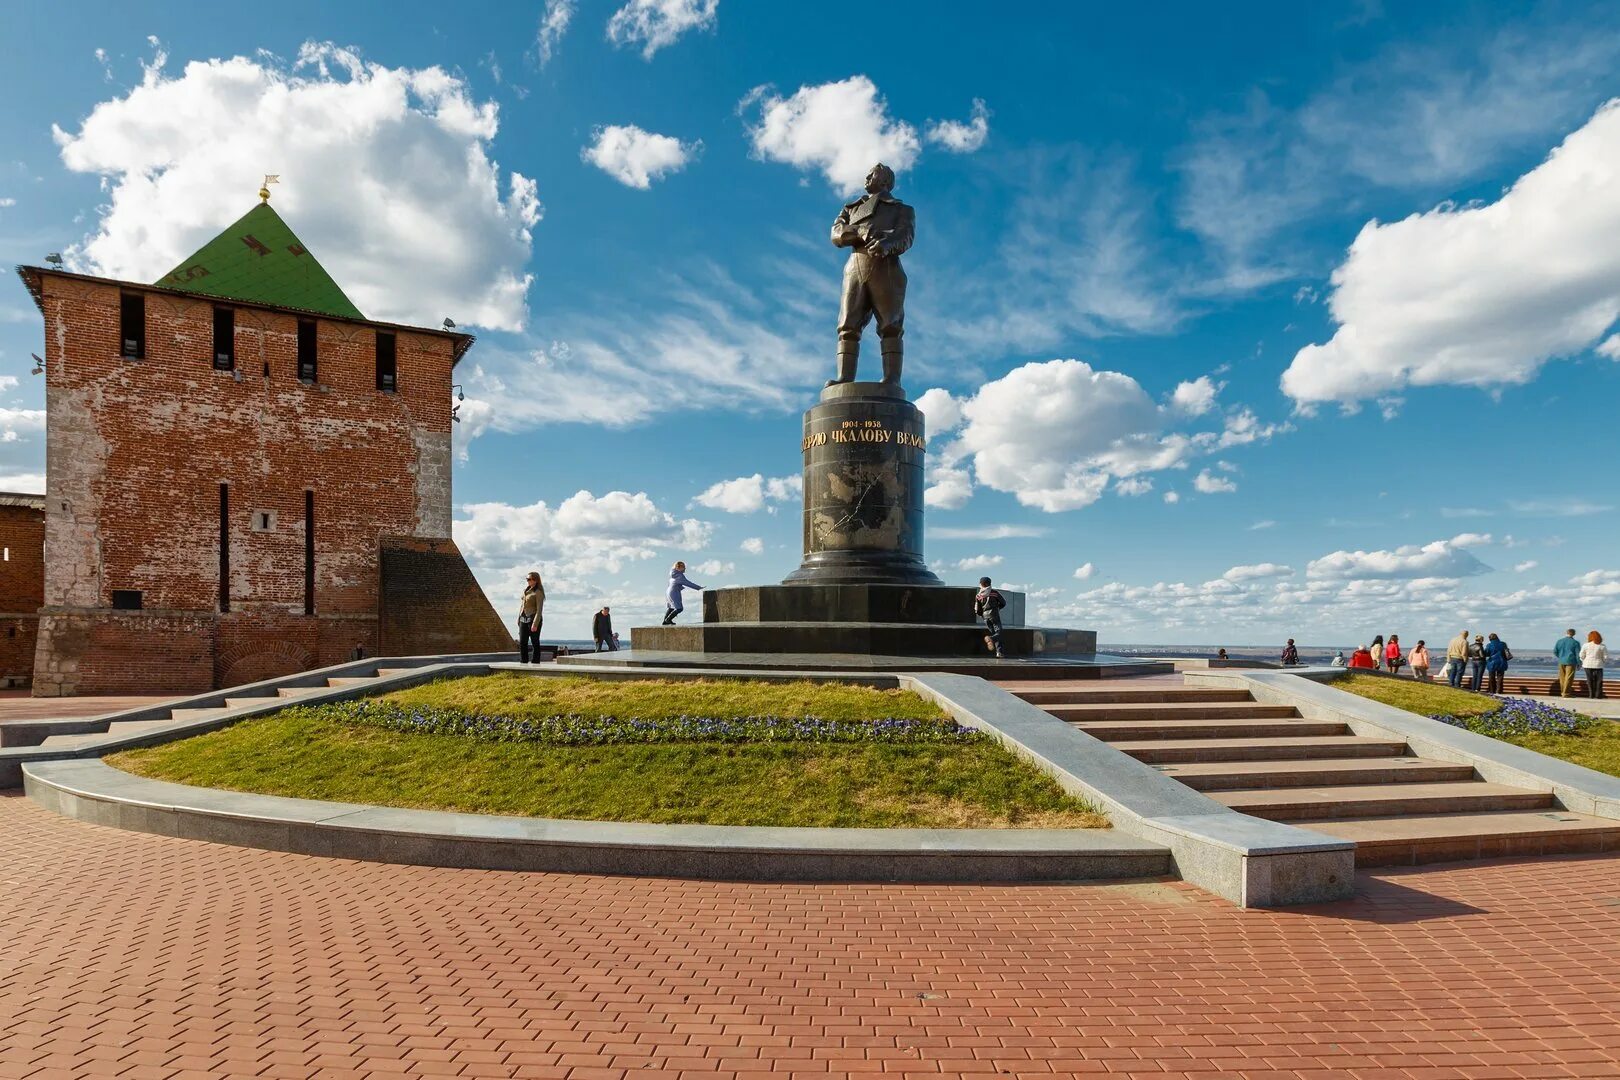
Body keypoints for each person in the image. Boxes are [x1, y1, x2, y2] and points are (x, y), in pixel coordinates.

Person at [828, 163, 915, 386]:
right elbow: (837, 234)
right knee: (847, 326)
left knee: (891, 326)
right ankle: (844, 378)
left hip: (886, 268)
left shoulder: (901, 209)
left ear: (885, 180)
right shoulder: (850, 209)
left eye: (872, 174)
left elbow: (905, 236)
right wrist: (860, 231)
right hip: (855, 267)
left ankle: (891, 380)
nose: (866, 177)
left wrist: (885, 244)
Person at [974, 576, 1006, 658]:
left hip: (985, 617)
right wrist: (997, 608)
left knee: (995, 633)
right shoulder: (994, 593)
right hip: (994, 614)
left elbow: (978, 610)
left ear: (981, 584)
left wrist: (983, 615)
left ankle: (999, 653)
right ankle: (991, 639)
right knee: (999, 633)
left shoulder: (978, 595)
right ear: (990, 583)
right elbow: (1003, 603)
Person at [517, 571, 544, 664]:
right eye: (527, 579)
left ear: (535, 580)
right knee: (522, 642)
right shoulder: (526, 591)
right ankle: (523, 661)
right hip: (523, 619)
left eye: (529, 579)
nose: (527, 581)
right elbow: (522, 606)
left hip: (533, 619)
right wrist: (518, 618)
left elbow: (539, 610)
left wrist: (535, 624)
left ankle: (535, 662)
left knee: (535, 642)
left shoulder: (538, 592)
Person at [1554, 628, 1582, 697]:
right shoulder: (1575, 643)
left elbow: (1555, 651)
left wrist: (1560, 656)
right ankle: (1566, 693)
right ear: (1574, 634)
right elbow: (1578, 654)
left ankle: (1563, 692)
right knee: (1569, 678)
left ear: (1566, 633)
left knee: (1562, 677)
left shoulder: (1559, 641)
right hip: (1571, 661)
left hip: (1561, 661)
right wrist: (1579, 663)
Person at [1582, 631, 1608, 700]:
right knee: (1599, 680)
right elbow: (1605, 657)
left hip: (1587, 664)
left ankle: (1591, 695)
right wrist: (1603, 661)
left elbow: (1581, 655)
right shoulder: (1602, 646)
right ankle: (1597, 695)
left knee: (1589, 680)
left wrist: (1584, 661)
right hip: (1598, 664)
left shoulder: (1585, 645)